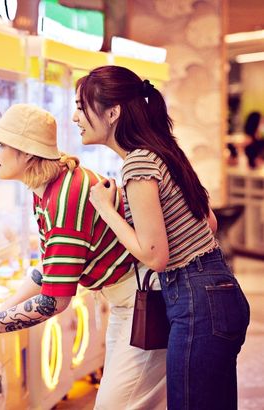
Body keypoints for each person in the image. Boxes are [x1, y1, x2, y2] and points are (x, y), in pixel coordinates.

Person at [0, 103, 167, 409]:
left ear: (26, 152)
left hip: (144, 304)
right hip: (127, 302)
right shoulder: (50, 185)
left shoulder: (65, 197)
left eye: (0, 144)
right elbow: (51, 267)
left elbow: (54, 301)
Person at [72, 65, 250, 410]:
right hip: (219, 291)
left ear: (112, 113)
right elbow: (208, 223)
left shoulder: (138, 164)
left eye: (81, 106)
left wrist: (105, 209)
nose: (75, 116)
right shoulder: (161, 150)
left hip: (196, 299)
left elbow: (156, 257)